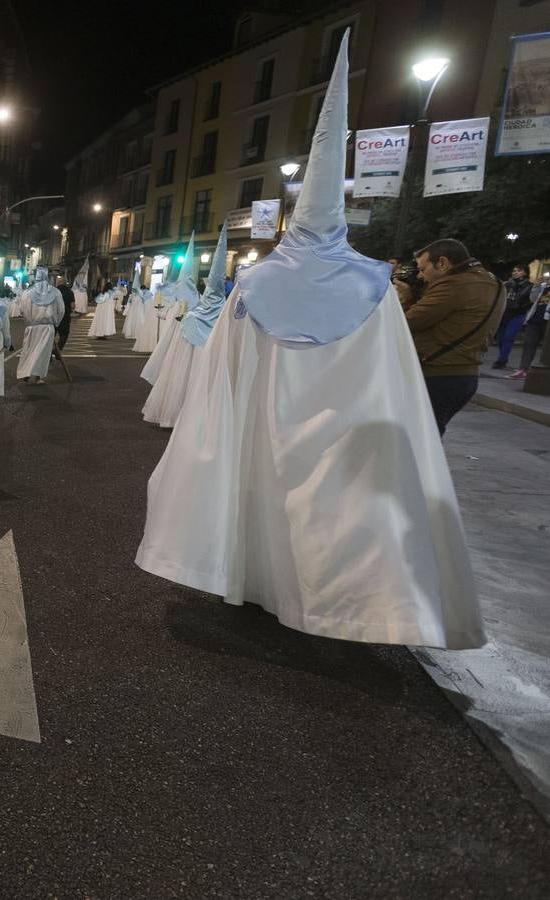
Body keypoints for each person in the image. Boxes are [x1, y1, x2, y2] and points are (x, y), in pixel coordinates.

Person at [135, 33, 484, 651]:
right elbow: (394, 380)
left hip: (261, 426)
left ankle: (253, 578)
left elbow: (221, 377)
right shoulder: (377, 287)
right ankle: (332, 603)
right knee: (329, 516)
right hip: (343, 438)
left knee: (261, 498)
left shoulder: (253, 283)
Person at [406, 239, 505, 434]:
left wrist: (405, 297)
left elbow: (406, 322)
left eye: (423, 269)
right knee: (428, 436)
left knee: (420, 440)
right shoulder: (495, 282)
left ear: (443, 263)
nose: (421, 276)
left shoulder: (454, 285)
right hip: (466, 374)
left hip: (439, 374)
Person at [142, 223, 229, 428]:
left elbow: (175, 360)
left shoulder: (194, 315)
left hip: (186, 339)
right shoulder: (220, 315)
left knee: (181, 379)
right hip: (202, 355)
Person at [140, 234, 199, 385]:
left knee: (173, 347)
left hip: (181, 319)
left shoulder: (187, 291)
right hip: (177, 318)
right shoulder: (185, 291)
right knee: (169, 346)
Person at [13, 268, 65, 384]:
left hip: (32, 326)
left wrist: (28, 320)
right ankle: (37, 376)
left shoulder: (27, 293)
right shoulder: (55, 292)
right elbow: (61, 310)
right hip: (47, 327)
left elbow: (22, 309)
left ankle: (27, 371)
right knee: (43, 353)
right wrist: (56, 322)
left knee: (29, 350)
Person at [492, 265, 533, 369]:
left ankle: (501, 360)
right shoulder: (507, 284)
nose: (515, 272)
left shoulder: (529, 285)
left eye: (519, 270)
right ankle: (504, 358)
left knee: (508, 337)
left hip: (518, 314)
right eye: (514, 270)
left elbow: (527, 299)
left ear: (525, 272)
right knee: (500, 339)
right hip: (504, 314)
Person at [508, 274, 549, 379]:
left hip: (547, 321)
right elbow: (533, 299)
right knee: (528, 345)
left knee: (546, 349)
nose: (547, 279)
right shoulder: (544, 287)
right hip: (535, 319)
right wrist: (536, 286)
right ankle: (523, 369)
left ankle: (544, 372)